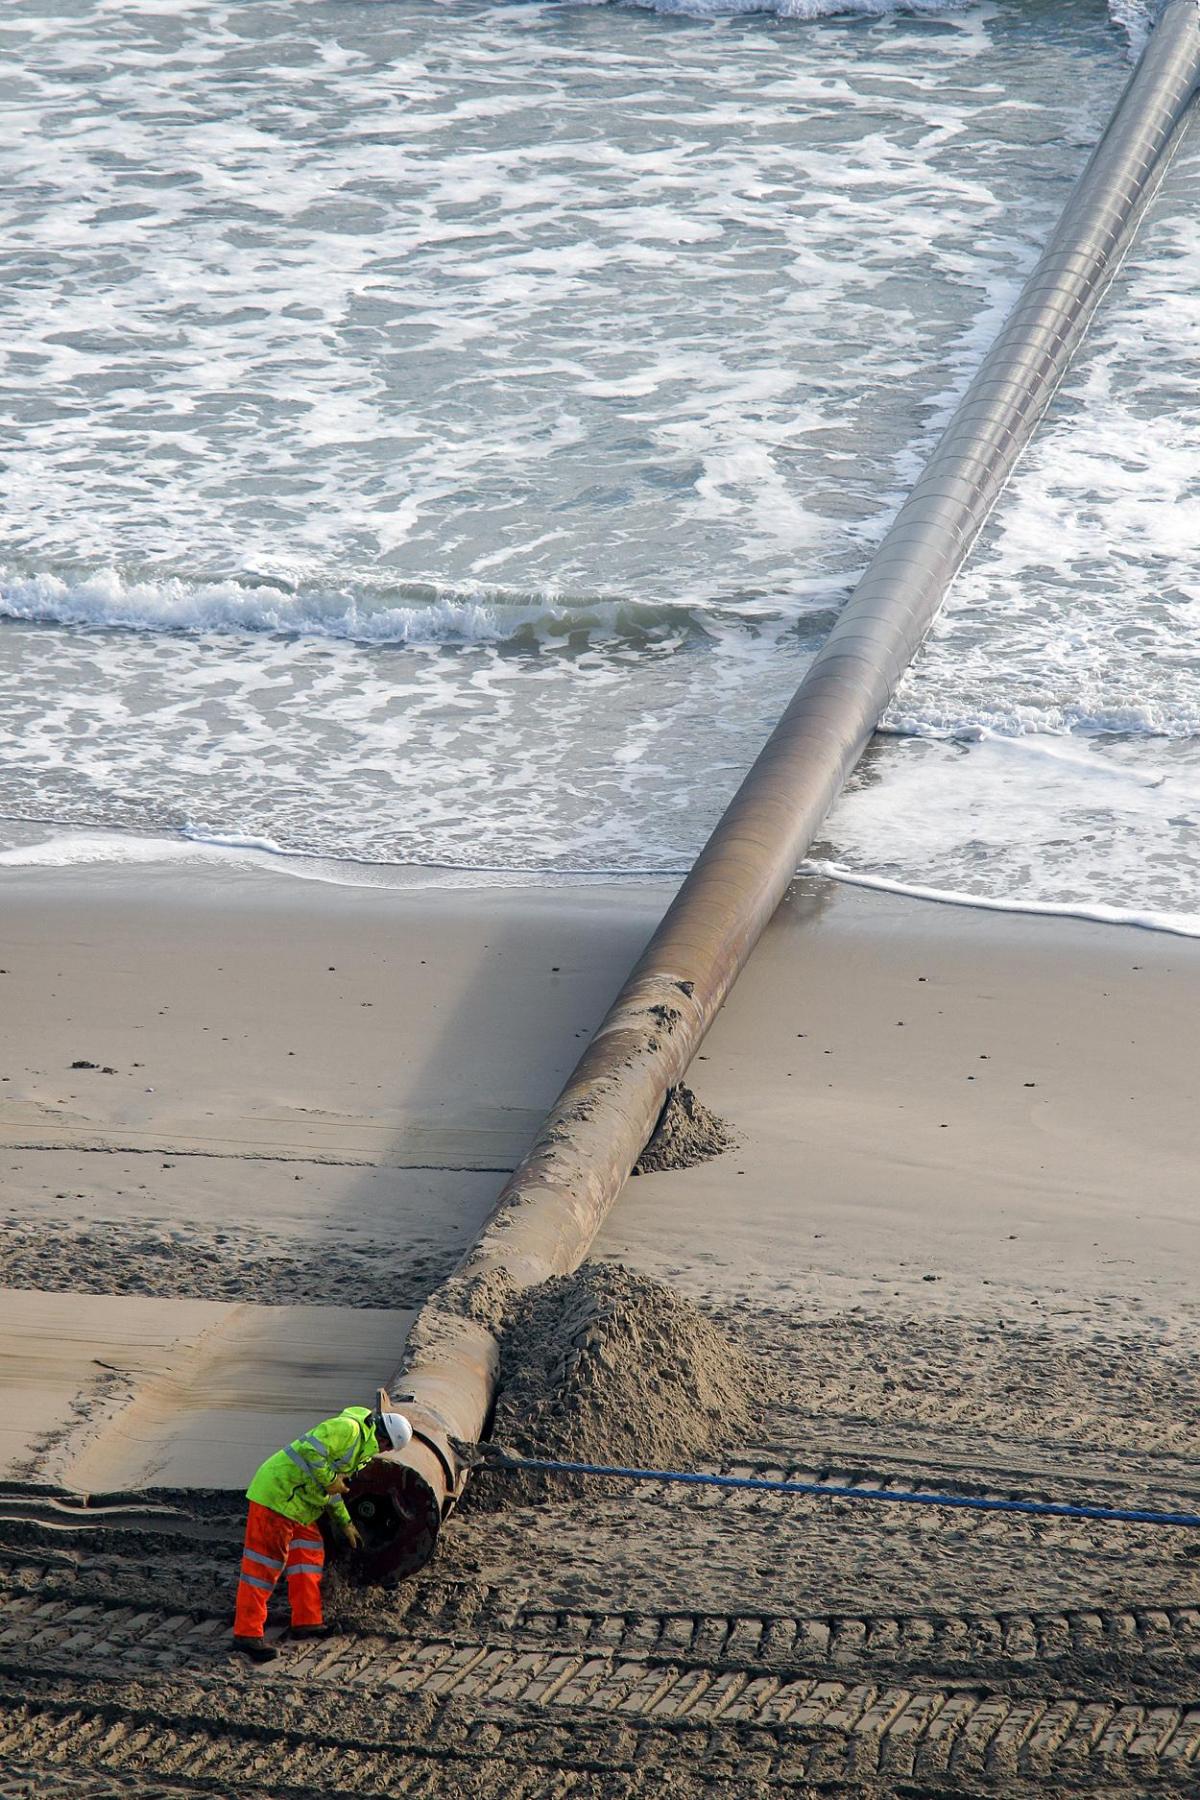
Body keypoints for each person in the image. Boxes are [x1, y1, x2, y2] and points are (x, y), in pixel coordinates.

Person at [231, 1394, 413, 1661]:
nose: (383, 1452)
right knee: (263, 1568)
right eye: (387, 1448)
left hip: (300, 1505)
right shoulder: (348, 1429)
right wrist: (329, 1480)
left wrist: (346, 1523)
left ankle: (306, 1622)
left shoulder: (362, 1451)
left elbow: (333, 1490)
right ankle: (247, 1634)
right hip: (277, 1495)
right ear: (384, 1439)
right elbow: (310, 1452)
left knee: (309, 1556)